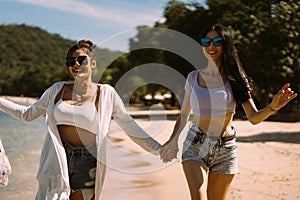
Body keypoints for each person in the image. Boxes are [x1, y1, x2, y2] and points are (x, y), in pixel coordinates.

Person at [0, 40, 161, 200]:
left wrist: (160, 150)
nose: (76, 64)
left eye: (81, 60)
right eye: (70, 61)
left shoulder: (105, 93)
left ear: (93, 63)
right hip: (57, 159)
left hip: (88, 162)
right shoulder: (57, 90)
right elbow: (26, 114)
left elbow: (128, 125)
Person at [159, 24, 297, 200]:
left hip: (225, 148)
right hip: (195, 144)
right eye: (206, 41)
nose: (211, 46)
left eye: (217, 41)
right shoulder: (193, 77)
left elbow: (253, 117)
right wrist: (173, 140)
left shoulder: (237, 79)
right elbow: (184, 115)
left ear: (225, 45)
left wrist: (273, 107)